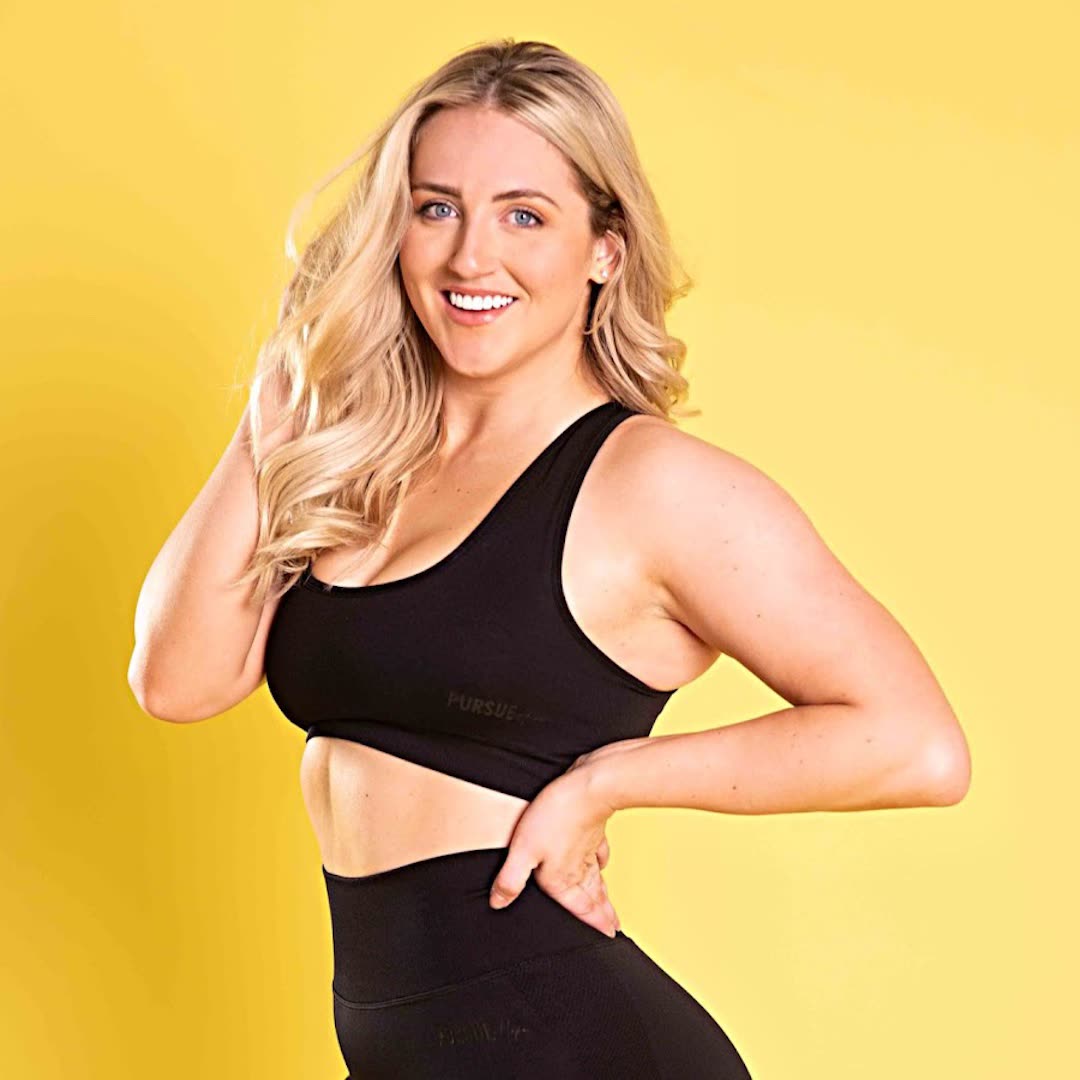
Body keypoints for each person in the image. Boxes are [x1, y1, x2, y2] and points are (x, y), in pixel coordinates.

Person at [128, 39, 970, 1079]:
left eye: (524, 216)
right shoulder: (365, 465)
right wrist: (273, 419)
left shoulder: (651, 485)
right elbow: (177, 682)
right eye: (436, 209)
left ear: (604, 249)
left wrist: (608, 780)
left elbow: (916, 745)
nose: (471, 258)